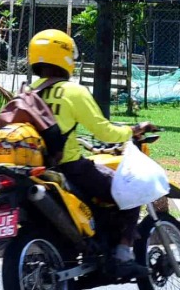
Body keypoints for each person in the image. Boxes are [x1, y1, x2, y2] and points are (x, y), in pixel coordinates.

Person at [26, 29, 155, 276]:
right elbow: (104, 131)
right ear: (65, 56)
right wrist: (133, 130)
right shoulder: (72, 91)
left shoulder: (26, 92)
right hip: (70, 169)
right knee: (131, 188)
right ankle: (123, 254)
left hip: (35, 170)